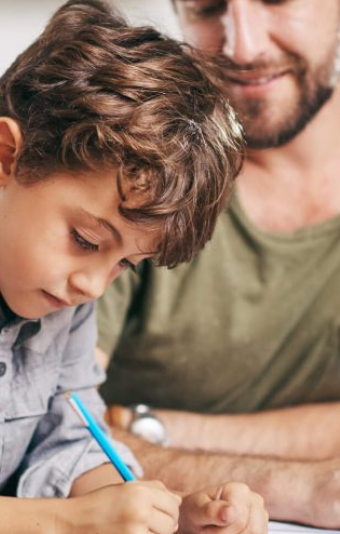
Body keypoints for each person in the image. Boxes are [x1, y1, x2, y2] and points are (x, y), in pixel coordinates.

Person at [0, 1, 269, 534]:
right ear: (4, 156)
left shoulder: (60, 286)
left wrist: (165, 516)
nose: (93, 285)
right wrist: (69, 522)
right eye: (85, 240)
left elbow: (69, 446)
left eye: (126, 266)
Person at [97, 0, 340, 529]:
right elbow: (44, 421)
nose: (243, 47)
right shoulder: (134, 169)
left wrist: (157, 428)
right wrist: (297, 486)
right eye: (207, 7)